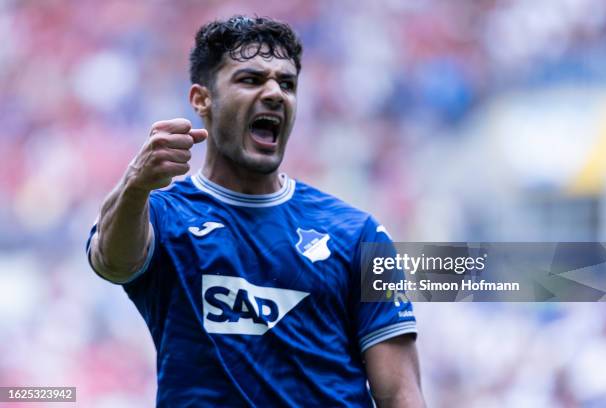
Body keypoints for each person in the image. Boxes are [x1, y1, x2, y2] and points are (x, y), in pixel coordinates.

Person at [86, 15, 425, 407]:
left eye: (287, 83)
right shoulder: (162, 215)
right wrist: (136, 183)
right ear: (202, 99)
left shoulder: (358, 233)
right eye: (250, 80)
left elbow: (401, 392)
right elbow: (111, 262)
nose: (275, 93)